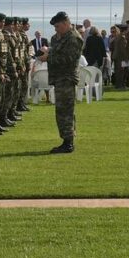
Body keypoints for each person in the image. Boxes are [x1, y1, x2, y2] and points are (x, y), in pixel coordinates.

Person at [46, 11, 83, 153]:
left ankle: (68, 143)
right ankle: (67, 140)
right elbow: (56, 52)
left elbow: (68, 59)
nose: (56, 30)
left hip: (66, 78)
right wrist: (48, 52)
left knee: (65, 111)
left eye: (58, 26)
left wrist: (47, 58)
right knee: (62, 111)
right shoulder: (59, 37)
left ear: (66, 24)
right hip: (59, 78)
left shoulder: (74, 38)